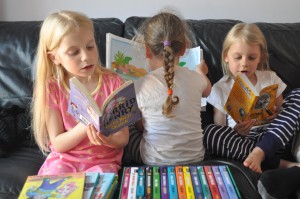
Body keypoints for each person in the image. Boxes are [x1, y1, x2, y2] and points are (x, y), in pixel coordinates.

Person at [31, 10, 129, 175]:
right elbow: (58, 143)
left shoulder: (113, 82)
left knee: (100, 185)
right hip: (65, 161)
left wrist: (108, 139)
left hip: (102, 162)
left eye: (90, 46)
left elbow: (123, 138)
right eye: (74, 52)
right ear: (54, 58)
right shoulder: (53, 88)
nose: (86, 56)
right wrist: (84, 125)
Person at [204, 22, 300, 172]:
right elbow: (220, 128)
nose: (244, 64)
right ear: (226, 57)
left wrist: (276, 115)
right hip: (245, 143)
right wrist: (236, 131)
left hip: (275, 137)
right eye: (238, 57)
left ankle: (261, 154)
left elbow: (285, 113)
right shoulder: (220, 88)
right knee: (210, 133)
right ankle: (278, 163)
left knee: (297, 95)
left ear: (260, 58)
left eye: (251, 57)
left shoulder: (270, 78)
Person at [131, 11, 211, 166]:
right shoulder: (196, 78)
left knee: (130, 130)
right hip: (195, 159)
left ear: (147, 50)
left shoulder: (139, 85)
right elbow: (208, 91)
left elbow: (141, 126)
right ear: (183, 48)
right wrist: (200, 71)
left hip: (154, 162)